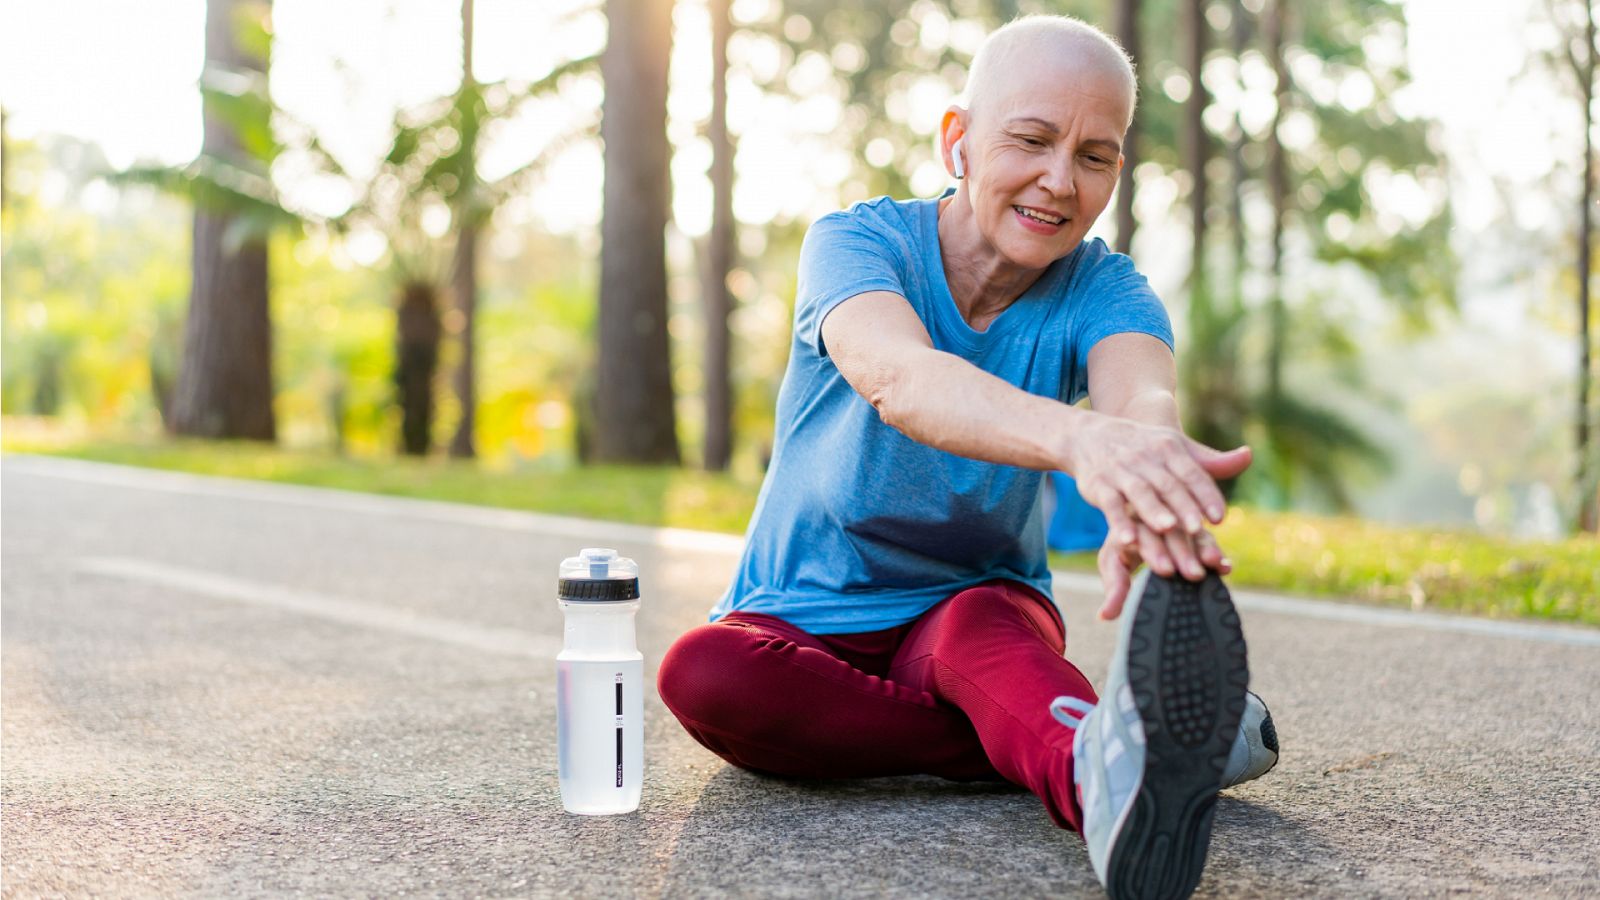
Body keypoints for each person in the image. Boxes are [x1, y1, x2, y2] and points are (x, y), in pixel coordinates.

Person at [657, 15, 1278, 900]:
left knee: (978, 636)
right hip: (796, 617)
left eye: (1094, 156)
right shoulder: (858, 244)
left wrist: (1149, 469)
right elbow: (902, 379)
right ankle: (1116, 740)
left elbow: (1141, 399)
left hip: (974, 611)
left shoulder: (1107, 287)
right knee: (704, 672)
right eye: (1031, 140)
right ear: (958, 139)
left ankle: (1095, 778)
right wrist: (1078, 439)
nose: (1059, 182)